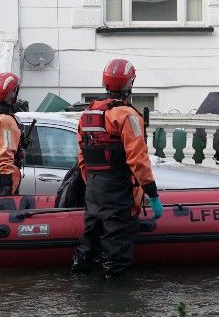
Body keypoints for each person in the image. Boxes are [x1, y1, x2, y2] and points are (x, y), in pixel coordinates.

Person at [71, 58, 163, 280]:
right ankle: (115, 299)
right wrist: (152, 194)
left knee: (90, 239)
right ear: (130, 83)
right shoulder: (127, 116)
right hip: (118, 190)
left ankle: (81, 281)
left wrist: (92, 181)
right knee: (116, 249)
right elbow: (138, 159)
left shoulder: (88, 114)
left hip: (93, 188)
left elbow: (82, 156)